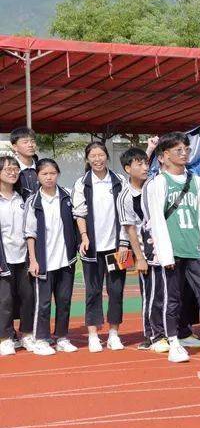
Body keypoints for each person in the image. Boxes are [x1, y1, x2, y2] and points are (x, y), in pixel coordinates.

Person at [144, 133, 200, 363]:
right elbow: (156, 220)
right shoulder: (158, 183)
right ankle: (173, 341)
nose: (184, 153)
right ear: (163, 157)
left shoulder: (195, 180)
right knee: (172, 299)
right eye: (177, 150)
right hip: (172, 249)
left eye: (185, 149)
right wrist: (164, 252)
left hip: (194, 247)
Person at [72, 142, 128, 353]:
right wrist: (84, 237)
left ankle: (114, 333)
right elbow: (80, 213)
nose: (97, 159)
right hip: (92, 249)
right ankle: (93, 335)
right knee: (92, 291)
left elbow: (126, 214)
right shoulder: (82, 183)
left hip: (118, 247)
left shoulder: (119, 180)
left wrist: (124, 243)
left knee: (116, 290)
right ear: (87, 159)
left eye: (101, 154)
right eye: (93, 156)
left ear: (107, 156)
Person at [24, 159, 79, 356]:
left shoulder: (67, 196)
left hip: (66, 260)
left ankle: (62, 337)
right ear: (37, 176)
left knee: (64, 301)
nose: (49, 177)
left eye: (52, 173)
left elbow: (77, 221)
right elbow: (30, 233)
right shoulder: (33, 201)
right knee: (44, 302)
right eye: (44, 174)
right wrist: (33, 259)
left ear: (58, 174)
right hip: (44, 261)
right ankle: (41, 339)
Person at [116, 147, 160, 351]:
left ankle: (173, 330)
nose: (145, 167)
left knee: (167, 292)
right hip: (142, 250)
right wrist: (139, 257)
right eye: (139, 164)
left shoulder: (155, 186)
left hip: (163, 248)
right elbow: (130, 229)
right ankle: (151, 334)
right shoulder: (125, 196)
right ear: (127, 168)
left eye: (146, 162)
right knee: (149, 292)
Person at [0, 155, 31, 355]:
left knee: (28, 297)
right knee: (4, 300)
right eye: (7, 169)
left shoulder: (26, 196)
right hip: (4, 258)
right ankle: (5, 337)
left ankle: (27, 335)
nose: (12, 172)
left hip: (26, 258)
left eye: (15, 169)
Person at [9, 127, 39, 198]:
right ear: (15, 147)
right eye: (25, 142)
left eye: (33, 141)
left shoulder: (41, 168)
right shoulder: (8, 170)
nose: (30, 145)